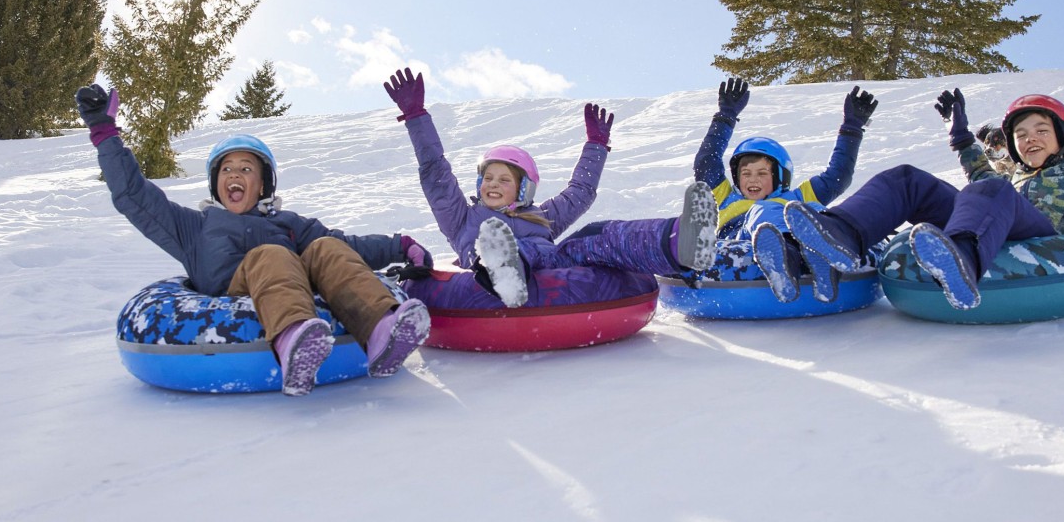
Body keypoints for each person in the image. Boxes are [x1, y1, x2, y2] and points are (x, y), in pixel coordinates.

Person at [75, 84, 431, 396]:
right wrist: (104, 132)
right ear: (216, 183)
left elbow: (345, 248)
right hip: (234, 292)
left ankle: (383, 332)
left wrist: (399, 246)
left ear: (262, 185)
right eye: (226, 169)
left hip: (294, 283)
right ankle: (295, 343)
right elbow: (133, 197)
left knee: (325, 247)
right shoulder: (193, 227)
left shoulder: (289, 223)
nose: (235, 175)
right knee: (271, 255)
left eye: (246, 169)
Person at [775, 79, 1064, 310]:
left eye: (1041, 130)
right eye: (1021, 134)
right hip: (998, 214)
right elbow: (981, 174)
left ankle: (962, 262)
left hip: (1041, 231)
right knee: (906, 178)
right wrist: (961, 134)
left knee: (991, 188)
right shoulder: (1012, 176)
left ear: (1062, 137)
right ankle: (829, 242)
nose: (1030, 139)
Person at [383, 68, 718, 308]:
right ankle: (503, 270)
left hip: (552, 265)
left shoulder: (541, 216)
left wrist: (596, 145)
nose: (493, 185)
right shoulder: (461, 219)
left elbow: (580, 193)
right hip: (487, 273)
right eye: (488, 178)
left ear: (523, 189)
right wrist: (416, 116)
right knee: (511, 246)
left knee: (596, 234)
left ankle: (679, 242)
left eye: (504, 179)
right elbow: (435, 174)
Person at [691, 78, 880, 302]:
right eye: (746, 173)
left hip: (800, 236)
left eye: (762, 174)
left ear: (780, 178)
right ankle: (783, 259)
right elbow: (706, 163)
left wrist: (852, 128)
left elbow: (837, 176)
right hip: (744, 241)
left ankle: (814, 254)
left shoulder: (797, 197)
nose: (753, 180)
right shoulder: (725, 197)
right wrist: (726, 116)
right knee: (762, 212)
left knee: (814, 210)